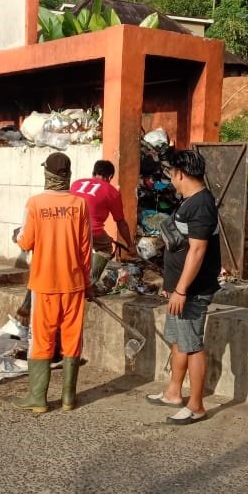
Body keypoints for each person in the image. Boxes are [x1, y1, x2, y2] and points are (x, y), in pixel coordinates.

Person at [13, 152, 93, 413]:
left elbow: (26, 242)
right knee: (72, 339)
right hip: (74, 283)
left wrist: (18, 236)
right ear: (67, 174)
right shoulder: (80, 204)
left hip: (44, 283)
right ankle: (69, 399)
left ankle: (38, 398)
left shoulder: (35, 203)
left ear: (46, 173)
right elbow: (86, 249)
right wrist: (87, 281)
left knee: (42, 338)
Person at [146, 149, 221, 425]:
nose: (171, 180)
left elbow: (198, 251)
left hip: (191, 290)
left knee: (192, 345)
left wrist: (181, 290)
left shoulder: (201, 204)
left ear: (180, 174)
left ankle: (197, 405)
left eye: (171, 175)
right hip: (178, 288)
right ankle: (173, 392)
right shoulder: (191, 200)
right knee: (179, 340)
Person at [71, 159, 134, 258]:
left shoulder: (76, 184)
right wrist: (130, 245)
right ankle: (95, 273)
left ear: (93, 173)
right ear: (110, 177)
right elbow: (121, 222)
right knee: (105, 247)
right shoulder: (112, 192)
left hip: (68, 227)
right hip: (92, 230)